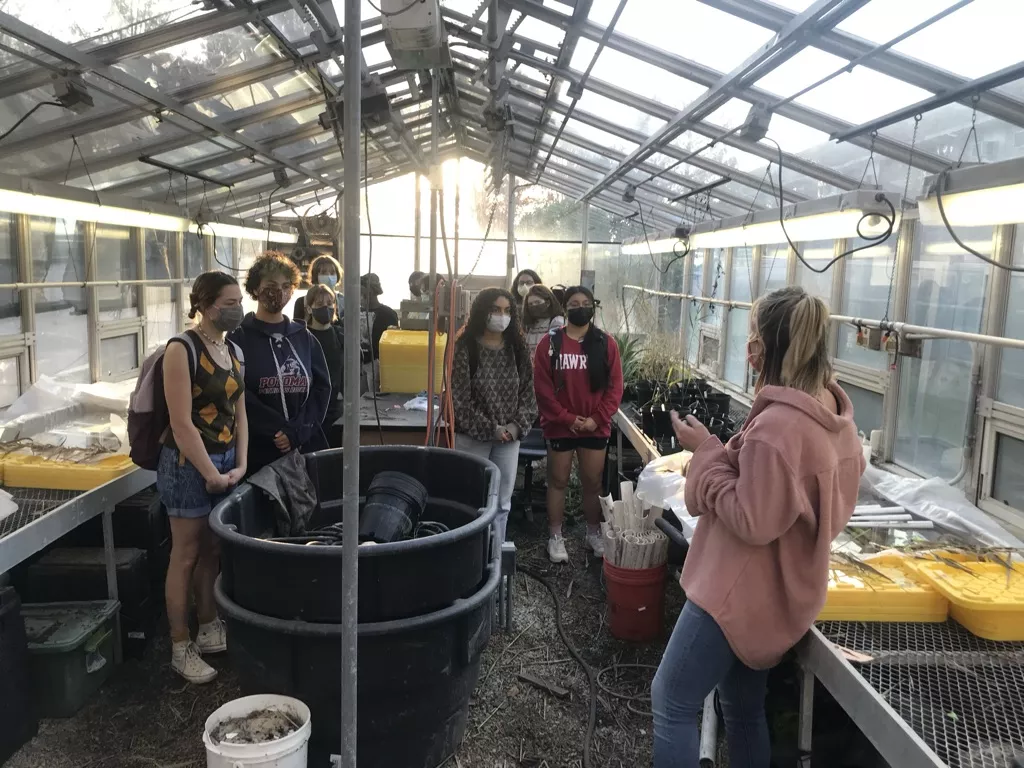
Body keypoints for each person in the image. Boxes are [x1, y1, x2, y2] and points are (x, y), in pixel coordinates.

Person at [650, 287, 864, 768]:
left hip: (733, 593)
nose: (747, 349)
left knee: (672, 700)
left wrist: (706, 451)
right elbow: (806, 506)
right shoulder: (836, 419)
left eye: (752, 337)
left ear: (767, 345)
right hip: (777, 595)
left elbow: (751, 518)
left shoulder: (779, 428)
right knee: (743, 709)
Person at [158, 271, 247, 684]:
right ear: (207, 304)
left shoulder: (232, 350)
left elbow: (238, 412)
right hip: (187, 465)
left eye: (238, 301)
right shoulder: (182, 348)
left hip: (225, 461)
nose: (237, 308)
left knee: (212, 549)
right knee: (186, 553)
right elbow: (181, 423)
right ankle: (180, 644)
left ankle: (209, 626)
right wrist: (210, 473)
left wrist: (240, 464)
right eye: (229, 302)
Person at [533, 286, 623, 563]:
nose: (579, 307)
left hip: (595, 426)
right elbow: (543, 390)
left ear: (592, 307)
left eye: (585, 303)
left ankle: (593, 532)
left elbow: (615, 387)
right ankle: (556, 535)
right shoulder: (549, 345)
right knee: (557, 481)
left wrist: (596, 419)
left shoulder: (606, 344)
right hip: (561, 426)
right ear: (564, 308)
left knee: (592, 482)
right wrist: (568, 419)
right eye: (573, 303)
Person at [229, 252, 331, 473]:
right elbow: (238, 392)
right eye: (271, 285)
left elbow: (322, 389)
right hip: (259, 454)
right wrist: (276, 431)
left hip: (304, 449)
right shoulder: (238, 340)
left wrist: (299, 430)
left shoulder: (304, 337)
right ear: (256, 289)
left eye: (287, 286)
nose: (280, 292)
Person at [451, 288, 537, 543]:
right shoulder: (465, 347)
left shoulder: (517, 348)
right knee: (471, 501)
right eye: (495, 310)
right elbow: (459, 401)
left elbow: (529, 395)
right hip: (472, 439)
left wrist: (515, 427)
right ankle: (470, 556)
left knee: (501, 503)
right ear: (482, 311)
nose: (502, 316)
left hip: (509, 439)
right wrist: (492, 429)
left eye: (507, 311)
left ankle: (495, 556)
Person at [305, 283, 344, 447]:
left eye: (329, 304)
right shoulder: (302, 337)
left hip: (335, 408)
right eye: (320, 305)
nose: (326, 308)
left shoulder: (340, 335)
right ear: (309, 309)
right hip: (309, 410)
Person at [359, 273, 399, 394]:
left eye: (362, 292)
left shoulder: (388, 314)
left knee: (376, 398)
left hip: (377, 364)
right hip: (357, 364)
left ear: (369, 291)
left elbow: (393, 343)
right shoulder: (352, 311)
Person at [294, 253, 343, 322]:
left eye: (332, 273)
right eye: (323, 273)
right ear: (315, 276)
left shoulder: (343, 301)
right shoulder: (302, 302)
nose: (329, 276)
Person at [522, 284, 565, 360]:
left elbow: (556, 348)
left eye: (537, 302)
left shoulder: (556, 321)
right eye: (530, 304)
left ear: (548, 303)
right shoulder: (530, 325)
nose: (534, 306)